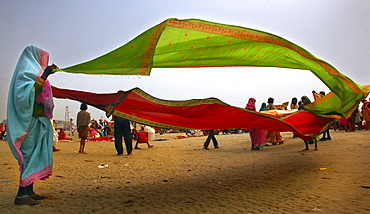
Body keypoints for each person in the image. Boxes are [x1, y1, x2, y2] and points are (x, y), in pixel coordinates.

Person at [7, 46, 58, 205]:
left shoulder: (34, 74)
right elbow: (28, 94)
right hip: (30, 123)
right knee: (29, 157)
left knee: (35, 155)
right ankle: (21, 195)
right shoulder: (24, 75)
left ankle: (29, 191)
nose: (42, 62)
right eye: (41, 58)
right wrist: (45, 75)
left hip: (39, 121)